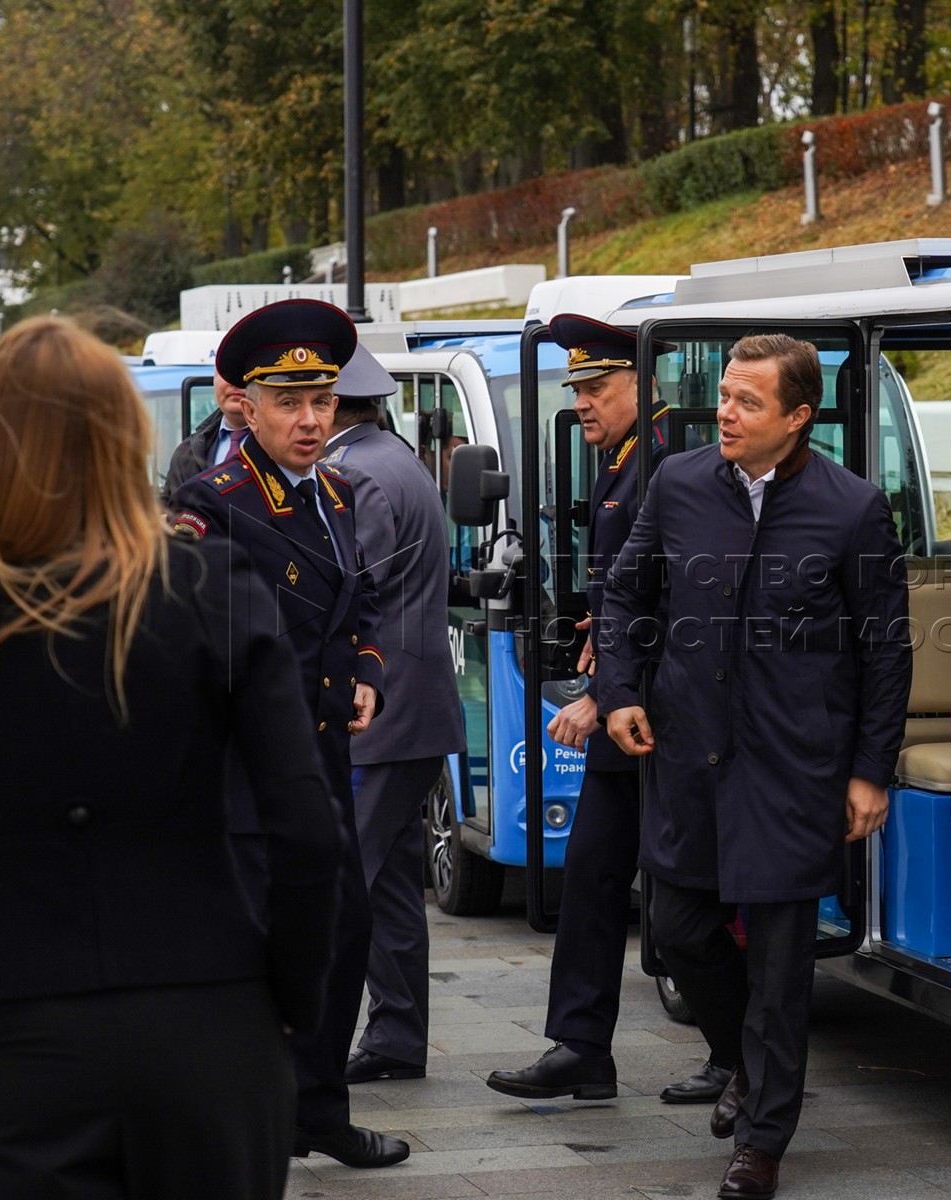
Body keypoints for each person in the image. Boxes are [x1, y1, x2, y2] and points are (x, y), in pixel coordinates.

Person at [0, 317, 342, 1198]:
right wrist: (286, 1005)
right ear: (121, 441)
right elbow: (306, 832)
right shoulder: (215, 588)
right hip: (213, 1018)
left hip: (26, 1025)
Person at [597, 334, 910, 1200]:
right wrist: (620, 690)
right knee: (679, 933)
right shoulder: (679, 484)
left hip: (795, 772)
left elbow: (886, 652)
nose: (724, 413)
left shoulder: (852, 510)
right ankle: (739, 1057)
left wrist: (869, 771)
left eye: (747, 402)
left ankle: (762, 1142)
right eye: (725, 396)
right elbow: (625, 593)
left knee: (780, 970)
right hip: (688, 757)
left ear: (798, 418)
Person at [169, 299, 405, 1170]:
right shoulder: (215, 502)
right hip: (247, 777)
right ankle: (244, 1118)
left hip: (324, 767)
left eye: (324, 403)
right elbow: (187, 639)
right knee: (255, 954)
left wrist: (370, 675)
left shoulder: (338, 492)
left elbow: (363, 602)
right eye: (291, 403)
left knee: (342, 936)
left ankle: (318, 1110)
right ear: (249, 406)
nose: (312, 422)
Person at [485, 314, 736, 1107]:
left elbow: (693, 601)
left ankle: (738, 1054)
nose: (584, 404)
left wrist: (607, 692)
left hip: (662, 718)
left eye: (598, 388)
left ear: (645, 385)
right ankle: (583, 1047)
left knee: (690, 900)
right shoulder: (624, 461)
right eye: (579, 391)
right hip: (632, 710)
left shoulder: (672, 462)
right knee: (593, 875)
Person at [318, 349, 465, 1084]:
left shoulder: (356, 473)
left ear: (329, 403)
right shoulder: (394, 458)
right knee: (391, 886)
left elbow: (350, 596)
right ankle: (397, 1039)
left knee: (344, 883)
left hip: (379, 717)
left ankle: (319, 1051)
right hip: (410, 713)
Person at [161, 368, 251, 502]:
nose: (234, 382)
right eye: (226, 371)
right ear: (214, 378)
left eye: (244, 372)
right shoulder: (187, 453)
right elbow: (170, 509)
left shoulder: (286, 449)